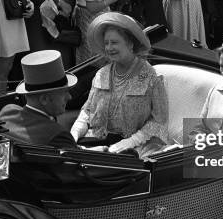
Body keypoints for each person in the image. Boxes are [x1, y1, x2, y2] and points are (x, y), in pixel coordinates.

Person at [70, 12, 168, 157]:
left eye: (114, 42)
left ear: (130, 43)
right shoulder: (101, 74)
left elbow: (159, 121)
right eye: (106, 43)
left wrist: (129, 142)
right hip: (99, 143)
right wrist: (74, 134)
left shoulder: (149, 76)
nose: (109, 48)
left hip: (135, 148)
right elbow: (88, 110)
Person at [0, 50, 78, 149]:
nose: (69, 97)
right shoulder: (57, 135)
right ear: (44, 99)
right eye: (64, 92)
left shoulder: (7, 112)